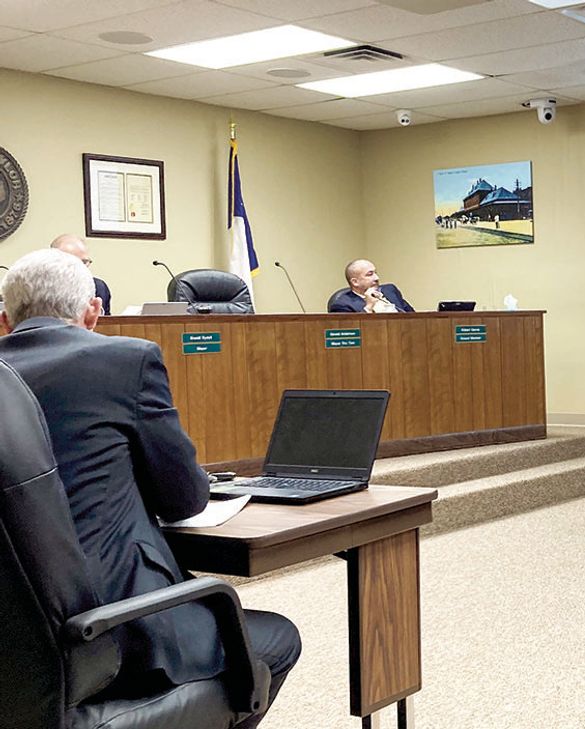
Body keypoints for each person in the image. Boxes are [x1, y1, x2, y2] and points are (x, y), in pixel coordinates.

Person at [0, 249, 300, 725]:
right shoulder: (125, 359)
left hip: (15, 647)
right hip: (116, 629)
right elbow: (184, 499)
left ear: (4, 319)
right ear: (93, 311)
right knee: (277, 638)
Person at [50, 233, 111, 315]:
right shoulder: (41, 290)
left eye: (84, 262)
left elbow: (106, 324)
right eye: (73, 262)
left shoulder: (99, 288)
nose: (80, 267)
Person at [328, 258, 414, 313]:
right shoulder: (342, 305)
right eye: (370, 274)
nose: (377, 278)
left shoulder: (390, 290)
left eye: (375, 273)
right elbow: (350, 333)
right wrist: (368, 307)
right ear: (355, 282)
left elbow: (414, 317)